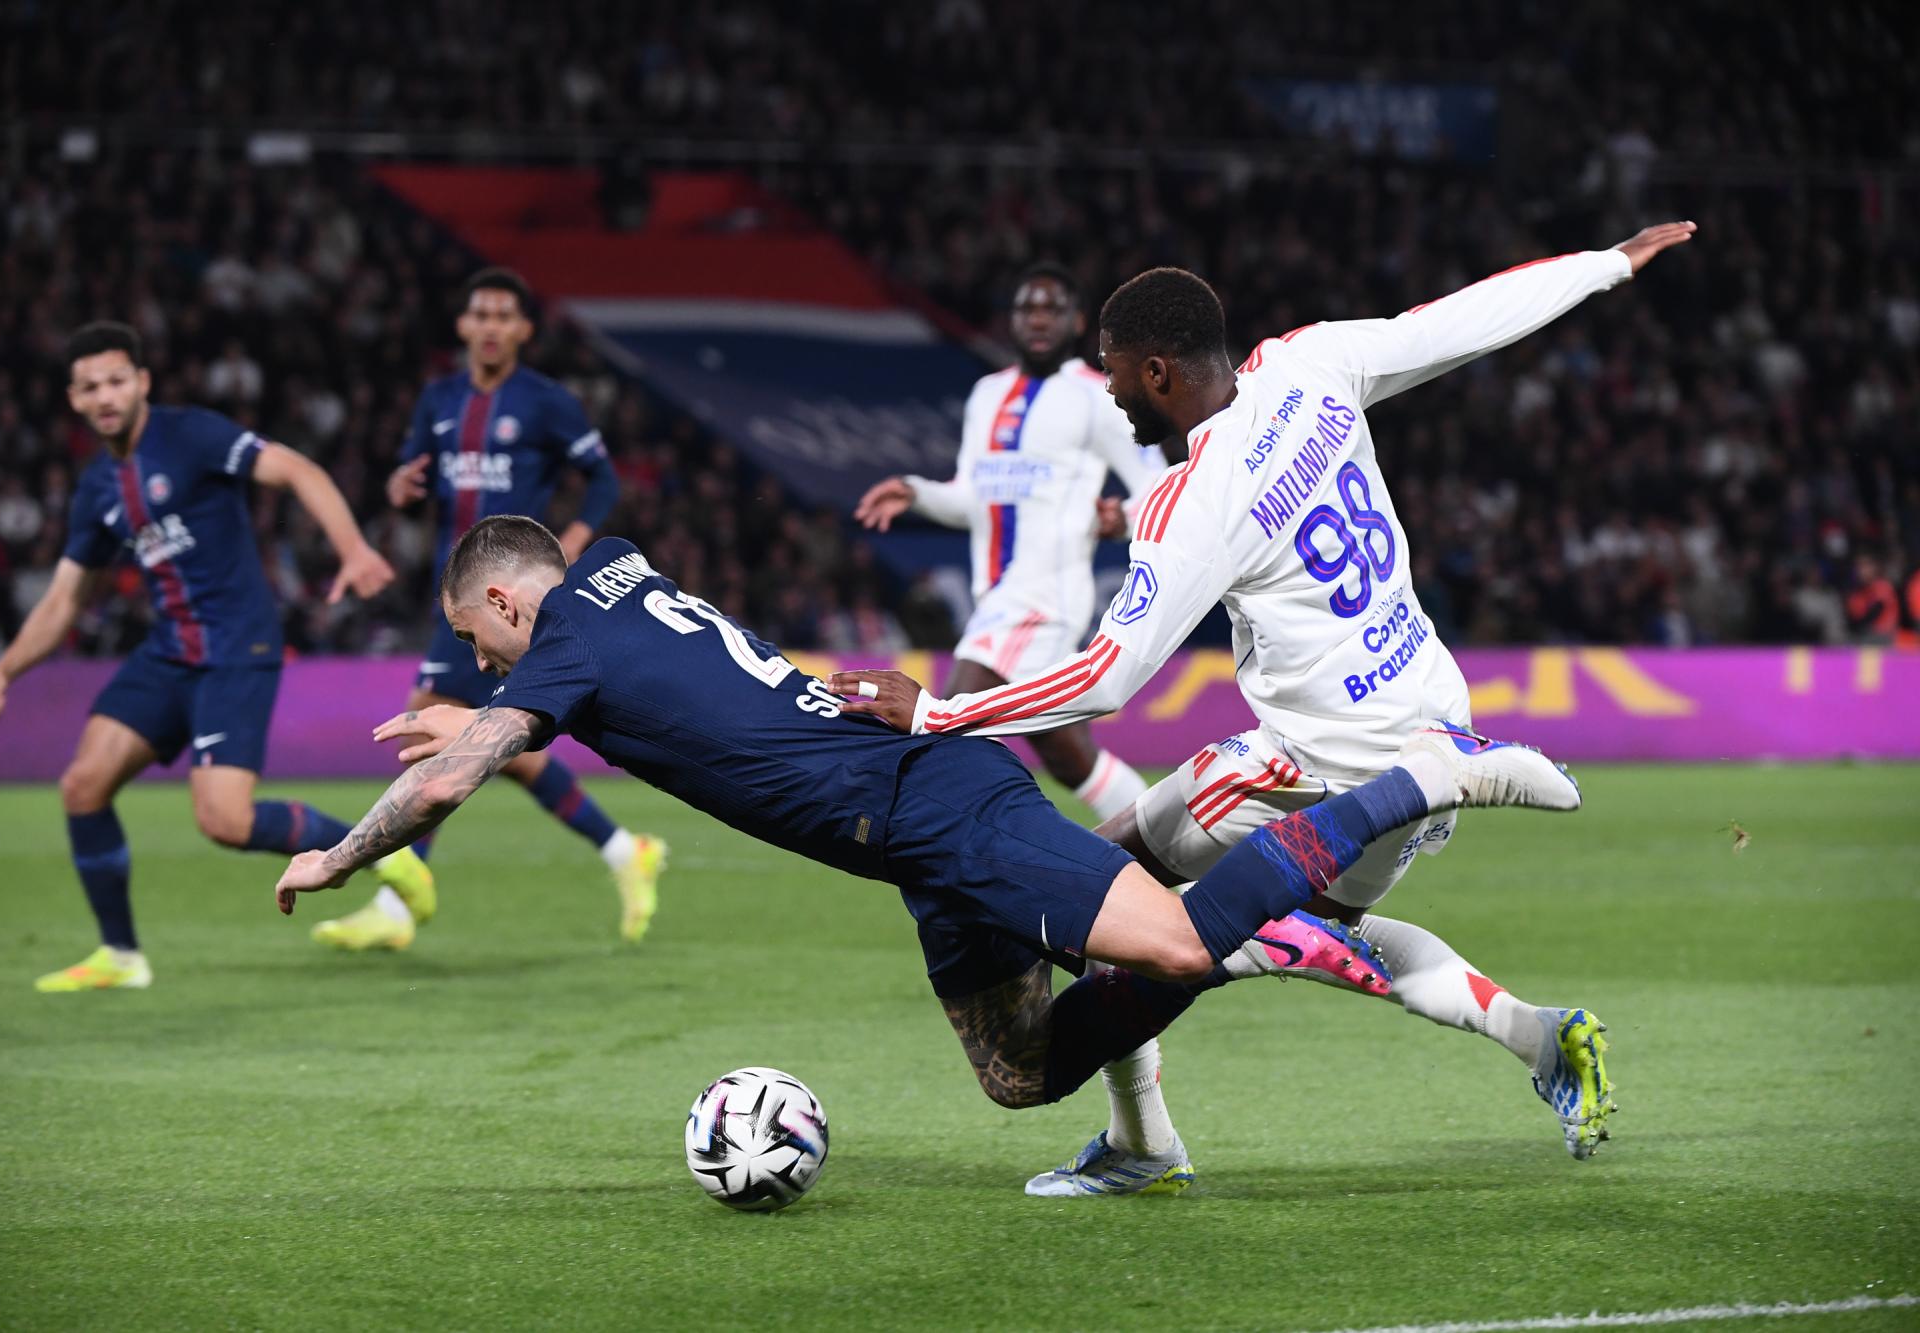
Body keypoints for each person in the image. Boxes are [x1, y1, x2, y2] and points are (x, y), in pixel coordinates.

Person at [833, 222, 1699, 1191]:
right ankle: (1535, 1037)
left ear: (1157, 372)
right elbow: (1453, 324)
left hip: (1318, 765)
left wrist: (936, 715)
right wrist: (1600, 265)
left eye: (1115, 373)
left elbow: (1105, 679)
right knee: (1206, 913)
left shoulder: (1191, 500)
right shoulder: (1307, 362)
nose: (1108, 393)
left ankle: (1144, 1142)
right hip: (1420, 714)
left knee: (1147, 918)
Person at [273, 517, 1583, 1131]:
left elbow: (454, 781)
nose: (490, 668)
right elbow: (647, 684)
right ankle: (1206, 932)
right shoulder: (613, 568)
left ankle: (1418, 777)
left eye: (477, 641)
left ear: (506, 603)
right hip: (906, 830)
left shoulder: (554, 648)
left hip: (937, 801)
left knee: (1176, 946)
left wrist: (339, 850)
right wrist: (497, 715)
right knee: (1020, 1072)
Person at [0, 321, 425, 992]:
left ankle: (382, 850)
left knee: (225, 820)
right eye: (90, 386)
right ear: (72, 398)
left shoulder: (190, 435)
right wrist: (5, 670)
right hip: (169, 653)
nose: (106, 396)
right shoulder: (98, 489)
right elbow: (66, 597)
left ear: (143, 381)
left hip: (238, 645)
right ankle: (121, 955)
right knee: (82, 785)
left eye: (118, 380)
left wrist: (353, 549)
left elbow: (295, 468)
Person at [310, 268, 667, 953]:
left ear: (524, 330)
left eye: (506, 315)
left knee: (431, 720)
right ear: (465, 326)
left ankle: (397, 894)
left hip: (511, 602)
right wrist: (397, 484)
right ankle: (624, 850)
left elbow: (604, 478)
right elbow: (408, 476)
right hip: (460, 594)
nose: (493, 325)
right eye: (482, 313)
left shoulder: (546, 402)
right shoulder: (439, 400)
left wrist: (573, 543)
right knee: (500, 742)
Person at [854, 264, 1160, 822]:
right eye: (1027, 308)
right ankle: (1180, 859)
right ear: (1012, 321)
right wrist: (916, 493)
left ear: (1074, 322)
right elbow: (972, 498)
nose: (1038, 319)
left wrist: (1127, 518)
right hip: (997, 594)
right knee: (1069, 757)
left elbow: (1158, 486)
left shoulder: (1097, 397)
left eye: (1051, 308)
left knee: (947, 722)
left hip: (1044, 595)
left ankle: (955, 868)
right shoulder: (987, 395)